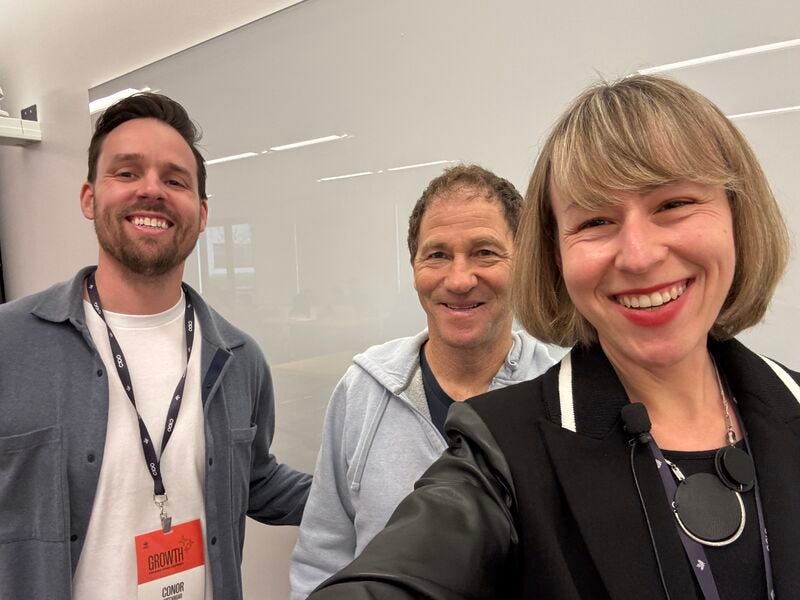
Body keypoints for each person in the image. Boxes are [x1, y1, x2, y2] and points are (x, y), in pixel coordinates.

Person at [308, 75, 800, 599]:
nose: (639, 255)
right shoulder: (499, 449)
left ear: (737, 216)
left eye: (673, 203)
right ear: (557, 257)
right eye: (595, 219)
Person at [0, 93, 310, 600]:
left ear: (202, 212)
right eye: (126, 173)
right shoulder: (10, 345)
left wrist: (368, 493)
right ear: (88, 198)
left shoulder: (237, 358)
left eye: (174, 180)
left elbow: (255, 479)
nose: (152, 190)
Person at [290, 164, 562, 598]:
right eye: (437, 254)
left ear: (524, 261)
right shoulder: (362, 391)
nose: (458, 279)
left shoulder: (562, 394)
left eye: (485, 252)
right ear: (414, 266)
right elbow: (323, 553)